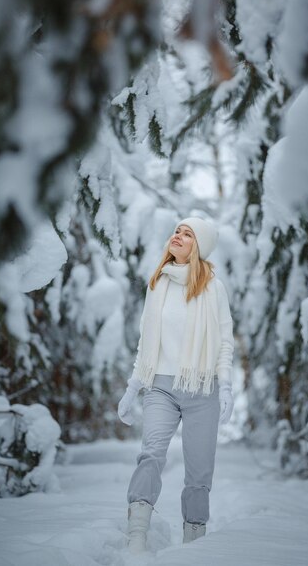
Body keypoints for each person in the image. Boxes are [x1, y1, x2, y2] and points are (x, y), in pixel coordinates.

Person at [117, 216, 235, 553]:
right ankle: (136, 535)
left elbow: (225, 342)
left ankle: (193, 543)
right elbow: (146, 341)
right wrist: (132, 388)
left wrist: (225, 386)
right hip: (161, 386)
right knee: (150, 455)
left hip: (202, 387)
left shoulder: (214, 287)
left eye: (187, 233)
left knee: (199, 474)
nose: (178, 236)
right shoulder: (158, 283)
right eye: (177, 230)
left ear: (199, 245)